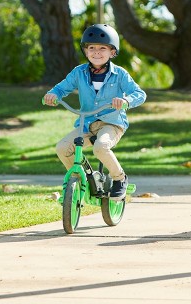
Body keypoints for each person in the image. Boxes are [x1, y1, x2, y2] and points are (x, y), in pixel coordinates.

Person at [44, 24, 146, 201]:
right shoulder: (79, 72)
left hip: (112, 123)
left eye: (102, 48)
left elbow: (140, 94)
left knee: (101, 147)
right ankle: (83, 180)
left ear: (112, 52)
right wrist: (53, 94)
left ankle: (119, 178)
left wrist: (125, 101)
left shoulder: (120, 74)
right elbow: (62, 88)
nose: (96, 52)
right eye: (92, 48)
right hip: (87, 123)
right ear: (86, 51)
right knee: (62, 148)